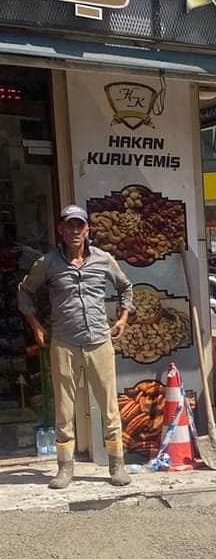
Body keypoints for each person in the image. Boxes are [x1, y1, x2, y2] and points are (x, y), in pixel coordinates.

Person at [18, 203, 133, 490]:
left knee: (108, 406)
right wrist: (36, 326)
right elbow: (25, 291)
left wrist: (122, 318)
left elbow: (126, 287)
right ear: (61, 229)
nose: (74, 231)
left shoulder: (103, 259)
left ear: (87, 229)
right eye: (69, 225)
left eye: (79, 225)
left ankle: (116, 464)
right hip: (64, 343)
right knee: (64, 408)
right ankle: (64, 467)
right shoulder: (48, 263)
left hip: (98, 341)